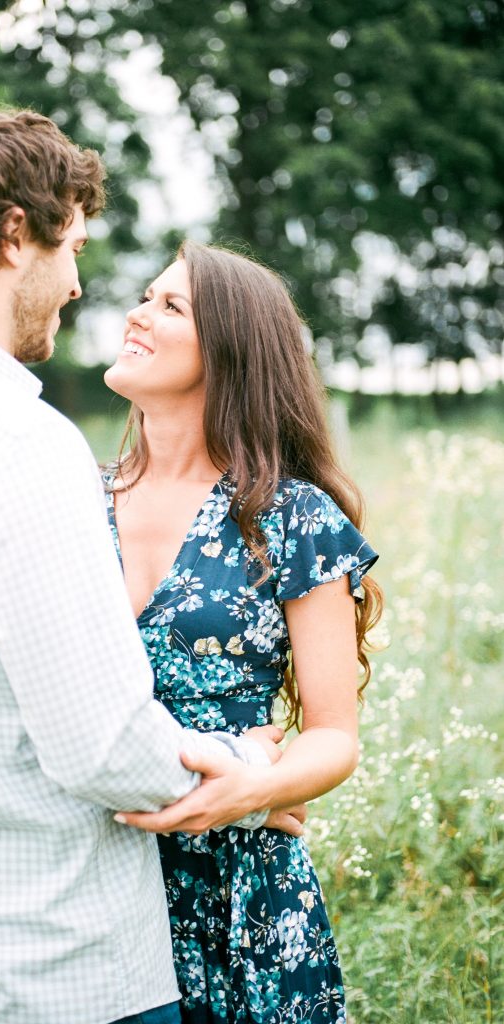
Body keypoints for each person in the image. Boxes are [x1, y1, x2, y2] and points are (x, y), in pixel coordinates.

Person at [0, 109, 303, 1024]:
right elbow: (104, 746)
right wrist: (247, 772)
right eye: (71, 245)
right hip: (57, 965)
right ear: (13, 234)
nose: (77, 284)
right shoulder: (21, 444)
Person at [103, 241, 382, 1023]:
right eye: (144, 296)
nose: (137, 313)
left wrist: (255, 790)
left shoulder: (292, 518)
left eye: (170, 305)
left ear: (227, 349)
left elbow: (334, 735)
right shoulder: (70, 500)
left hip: (243, 897)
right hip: (96, 878)